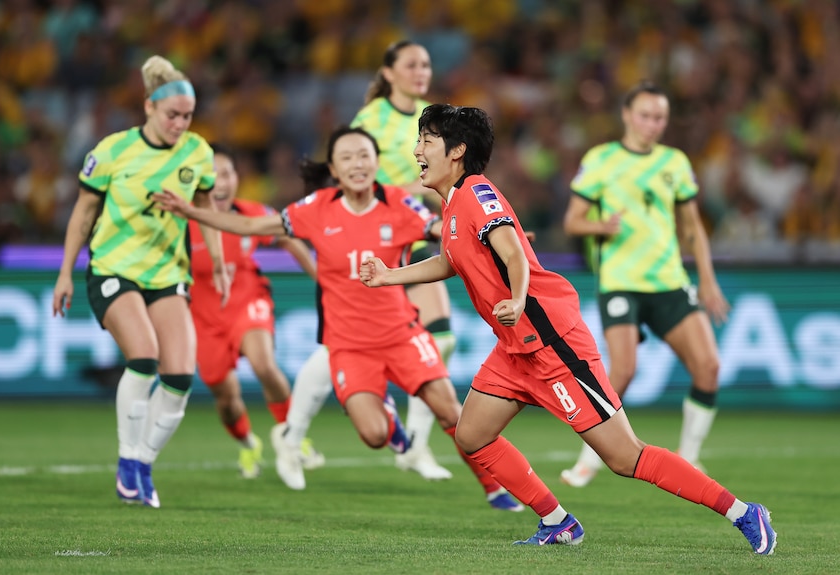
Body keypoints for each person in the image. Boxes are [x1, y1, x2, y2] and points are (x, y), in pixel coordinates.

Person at [358, 103, 776, 554]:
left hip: (553, 345)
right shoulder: (455, 204)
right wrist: (388, 276)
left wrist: (517, 298)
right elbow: (449, 262)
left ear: (457, 151)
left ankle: (743, 511)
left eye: (427, 140)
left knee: (624, 456)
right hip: (514, 348)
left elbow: (515, 253)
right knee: (472, 435)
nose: (416, 148)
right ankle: (557, 522)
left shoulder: (478, 194)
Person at [155, 126, 523, 512]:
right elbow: (251, 225)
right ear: (333, 167)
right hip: (348, 346)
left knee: (451, 411)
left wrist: (492, 236)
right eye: (346, 157)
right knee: (374, 435)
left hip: (401, 333)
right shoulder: (316, 208)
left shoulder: (398, 203)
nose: (357, 164)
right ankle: (390, 426)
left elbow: (440, 232)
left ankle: (495, 489)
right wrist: (189, 210)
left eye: (364, 155)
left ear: (376, 162)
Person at [52, 55, 230, 509]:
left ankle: (144, 463)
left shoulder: (198, 152)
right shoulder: (112, 151)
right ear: (149, 107)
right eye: (173, 114)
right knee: (145, 355)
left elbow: (207, 209)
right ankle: (127, 461)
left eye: (188, 116)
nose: (180, 123)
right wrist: (65, 272)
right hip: (113, 269)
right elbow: (83, 214)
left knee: (179, 377)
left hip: (168, 274)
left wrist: (220, 261)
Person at [281, 40, 454, 481]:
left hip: (412, 228)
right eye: (412, 64)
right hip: (370, 235)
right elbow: (354, 170)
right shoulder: (370, 119)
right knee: (341, 345)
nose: (421, 71)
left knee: (443, 336)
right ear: (389, 72)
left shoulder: (434, 116)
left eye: (427, 63)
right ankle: (293, 432)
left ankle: (411, 446)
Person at [559, 81, 730, 487]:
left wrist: (707, 279)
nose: (654, 124)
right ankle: (588, 460)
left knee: (709, 367)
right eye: (646, 115)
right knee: (623, 371)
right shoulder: (601, 160)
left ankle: (689, 457)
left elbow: (692, 227)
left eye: (660, 117)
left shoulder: (675, 162)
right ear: (627, 115)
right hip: (620, 281)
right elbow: (572, 220)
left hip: (669, 280)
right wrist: (601, 225)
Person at [188, 143, 323, 480]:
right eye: (213, 175)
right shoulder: (184, 223)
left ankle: (293, 437)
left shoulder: (251, 213)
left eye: (227, 173)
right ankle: (249, 444)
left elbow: (289, 237)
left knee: (264, 363)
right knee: (225, 395)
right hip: (203, 314)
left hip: (248, 299)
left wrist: (322, 279)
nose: (221, 181)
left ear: (237, 178)